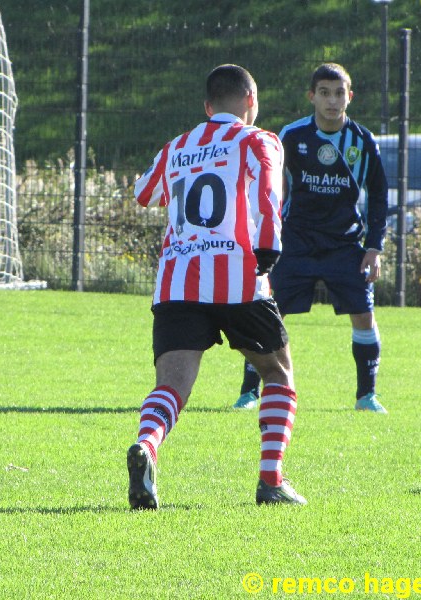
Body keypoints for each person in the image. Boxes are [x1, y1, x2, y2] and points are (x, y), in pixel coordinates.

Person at [127, 64, 306, 510]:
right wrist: (268, 246)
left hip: (176, 280)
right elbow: (269, 191)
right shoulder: (258, 139)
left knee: (172, 387)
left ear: (207, 107)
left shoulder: (177, 147)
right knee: (277, 374)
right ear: (251, 101)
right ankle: (271, 481)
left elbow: (144, 194)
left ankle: (147, 446)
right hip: (239, 277)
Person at [233, 63, 389, 414]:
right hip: (296, 243)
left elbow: (379, 195)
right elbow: (271, 185)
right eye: (324, 93)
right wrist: (265, 233)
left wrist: (374, 248)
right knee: (267, 314)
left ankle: (367, 396)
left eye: (338, 93)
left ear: (349, 96)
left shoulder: (362, 141)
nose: (332, 101)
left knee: (364, 315)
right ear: (312, 97)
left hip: (345, 245)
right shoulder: (292, 135)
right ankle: (248, 392)